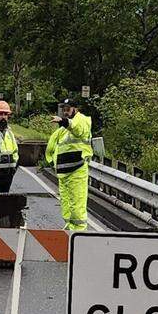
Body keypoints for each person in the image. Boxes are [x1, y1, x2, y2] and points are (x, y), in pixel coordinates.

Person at [46, 98, 93, 230]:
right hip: (64, 173)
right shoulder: (63, 130)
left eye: (68, 109)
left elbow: (78, 129)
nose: (65, 112)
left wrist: (63, 121)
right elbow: (54, 145)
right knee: (67, 205)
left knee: (77, 205)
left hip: (76, 170)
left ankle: (80, 234)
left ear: (75, 109)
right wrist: (51, 161)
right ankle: (69, 229)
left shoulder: (82, 120)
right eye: (64, 110)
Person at [0, 100, 20, 192]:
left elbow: (15, 150)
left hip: (8, 173)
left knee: (5, 199)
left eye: (5, 114)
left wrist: (14, 167)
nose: (3, 117)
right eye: (0, 114)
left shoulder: (9, 132)